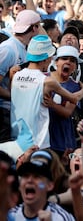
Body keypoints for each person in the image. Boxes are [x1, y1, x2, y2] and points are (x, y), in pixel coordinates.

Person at [0, 35, 83, 160]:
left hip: (17, 139)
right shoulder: (47, 82)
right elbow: (73, 98)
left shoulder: (16, 75)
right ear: (46, 58)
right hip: (38, 144)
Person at [0, 9, 41, 143]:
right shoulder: (8, 49)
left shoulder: (25, 48)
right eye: (39, 25)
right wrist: (16, 96)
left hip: (16, 112)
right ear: (34, 28)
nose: (40, 29)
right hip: (3, 114)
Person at [8, 149, 75, 220]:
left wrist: (52, 200)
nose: (30, 180)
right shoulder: (11, 215)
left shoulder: (60, 216)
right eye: (26, 175)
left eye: (37, 176)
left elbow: (77, 195)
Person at [47, 46, 83, 157]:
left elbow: (67, 112)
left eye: (72, 60)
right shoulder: (44, 78)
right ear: (56, 62)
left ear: (75, 67)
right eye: (64, 58)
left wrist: (52, 104)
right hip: (43, 135)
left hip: (62, 138)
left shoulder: (74, 86)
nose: (68, 62)